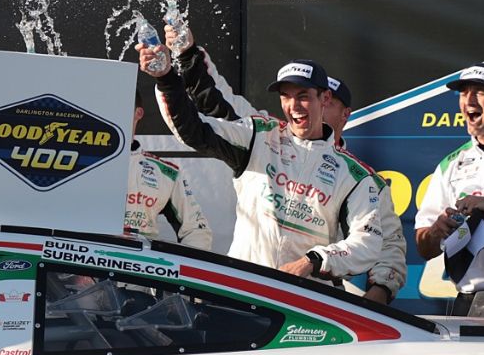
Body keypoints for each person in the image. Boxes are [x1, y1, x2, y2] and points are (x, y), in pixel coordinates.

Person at [164, 27, 406, 303]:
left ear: (337, 108)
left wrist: (371, 299)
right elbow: (216, 103)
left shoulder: (361, 179)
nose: (297, 106)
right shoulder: (263, 136)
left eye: (309, 97)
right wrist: (186, 57)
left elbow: (385, 245)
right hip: (243, 291)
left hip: (309, 302)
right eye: (288, 96)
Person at [414, 63, 484, 317]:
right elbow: (424, 246)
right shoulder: (451, 165)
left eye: (480, 91)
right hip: (471, 303)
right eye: (464, 93)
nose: (469, 100)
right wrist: (437, 230)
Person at [124, 88, 211, 250]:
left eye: (122, 106)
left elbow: (196, 230)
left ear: (138, 113)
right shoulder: (81, 164)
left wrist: (182, 271)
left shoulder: (165, 173)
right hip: (86, 265)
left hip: (139, 267)